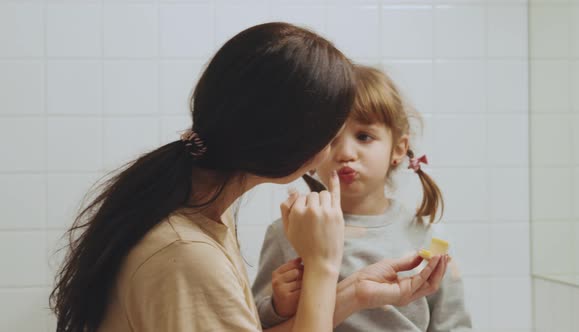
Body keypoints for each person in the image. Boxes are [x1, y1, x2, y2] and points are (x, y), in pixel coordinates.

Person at [50, 23, 448, 332]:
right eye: (333, 131)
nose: (340, 151)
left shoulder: (199, 217)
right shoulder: (187, 255)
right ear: (300, 144)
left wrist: (355, 293)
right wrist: (324, 265)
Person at [252, 65, 469, 331]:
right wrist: (277, 306)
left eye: (364, 136)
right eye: (330, 140)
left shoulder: (426, 236)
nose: (345, 153)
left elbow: (453, 323)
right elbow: (253, 322)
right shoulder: (288, 230)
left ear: (399, 148)